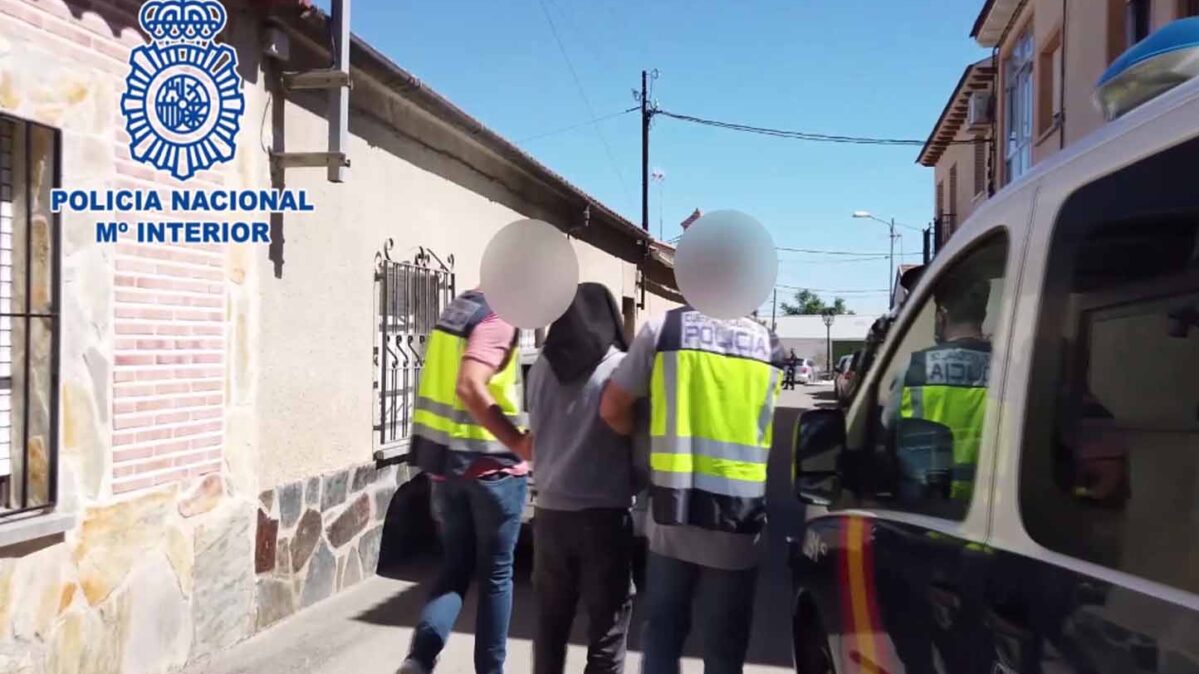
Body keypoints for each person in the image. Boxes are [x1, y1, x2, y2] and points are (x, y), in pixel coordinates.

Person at [600, 307, 784, 674]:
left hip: (673, 507)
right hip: (738, 515)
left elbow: (611, 407)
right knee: (724, 648)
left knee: (664, 637)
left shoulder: (663, 330)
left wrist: (642, 445)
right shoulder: (769, 344)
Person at [400, 288, 532, 674]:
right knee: (496, 575)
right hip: (493, 470)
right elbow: (470, 385)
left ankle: (419, 659)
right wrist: (519, 442)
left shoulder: (458, 309)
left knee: (455, 567)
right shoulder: (499, 315)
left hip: (446, 467)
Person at [526, 283, 635, 674]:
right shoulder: (619, 370)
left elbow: (535, 429)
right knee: (607, 631)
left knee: (550, 628)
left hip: (549, 515)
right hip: (603, 516)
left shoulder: (540, 367)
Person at [884, 277, 992, 502]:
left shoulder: (913, 368)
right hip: (991, 504)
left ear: (941, 316)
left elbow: (888, 427)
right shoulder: (1010, 369)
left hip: (930, 505)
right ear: (982, 316)